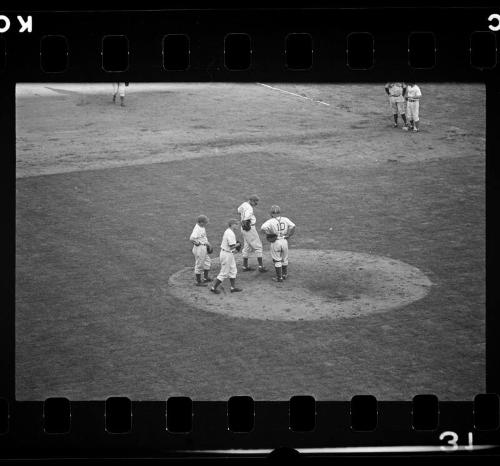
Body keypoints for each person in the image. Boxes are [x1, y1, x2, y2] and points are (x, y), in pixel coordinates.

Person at [260, 205, 296, 283]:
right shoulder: (285, 219)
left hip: (275, 242)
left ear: (271, 213)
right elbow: (293, 226)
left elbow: (262, 229)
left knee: (277, 260)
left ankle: (279, 278)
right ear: (280, 212)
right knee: (284, 258)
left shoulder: (270, 221)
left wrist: (269, 234)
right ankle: (284, 275)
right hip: (284, 241)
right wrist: (289, 235)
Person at [210, 219, 243, 294]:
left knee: (233, 270)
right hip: (226, 255)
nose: (238, 225)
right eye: (236, 224)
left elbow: (231, 248)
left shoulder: (229, 231)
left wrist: (235, 248)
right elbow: (232, 246)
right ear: (232, 224)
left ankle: (232, 288)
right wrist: (238, 244)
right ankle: (213, 288)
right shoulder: (230, 233)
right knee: (224, 273)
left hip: (228, 253)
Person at [237, 195, 267, 273]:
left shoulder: (244, 204)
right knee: (258, 246)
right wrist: (246, 223)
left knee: (247, 246)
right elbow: (246, 218)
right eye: (255, 202)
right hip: (249, 229)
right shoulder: (250, 208)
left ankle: (245, 266)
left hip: (243, 229)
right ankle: (261, 266)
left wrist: (243, 221)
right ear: (251, 200)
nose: (256, 203)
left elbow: (238, 211)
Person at [189, 215, 212, 286]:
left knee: (207, 261)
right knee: (199, 264)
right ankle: (198, 282)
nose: (206, 223)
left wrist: (208, 244)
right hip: (200, 249)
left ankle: (206, 277)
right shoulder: (197, 229)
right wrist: (197, 243)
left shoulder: (202, 227)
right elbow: (191, 238)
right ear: (201, 222)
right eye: (205, 222)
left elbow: (203, 238)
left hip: (203, 247)